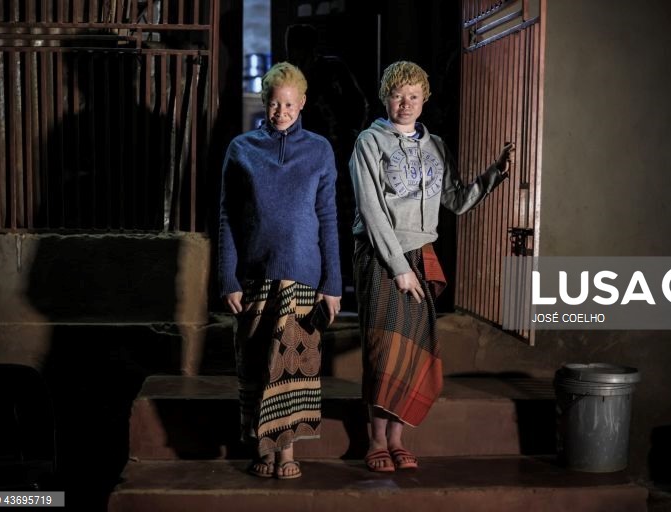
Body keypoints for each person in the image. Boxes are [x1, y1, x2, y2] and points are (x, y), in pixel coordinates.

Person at [349, 60, 513, 472]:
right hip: (381, 255)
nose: (405, 103)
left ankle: (398, 438)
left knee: (414, 351)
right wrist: (397, 267)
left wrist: (494, 175)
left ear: (425, 100)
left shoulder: (436, 145)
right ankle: (375, 440)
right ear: (386, 97)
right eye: (398, 95)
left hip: (422, 254)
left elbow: (456, 200)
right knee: (384, 349)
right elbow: (371, 210)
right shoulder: (370, 143)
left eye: (414, 96)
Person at [217, 61, 342, 480]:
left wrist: (334, 284)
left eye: (289, 104)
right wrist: (228, 277)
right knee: (256, 364)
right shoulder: (241, 149)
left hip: (303, 276)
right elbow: (228, 217)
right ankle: (262, 448)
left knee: (290, 370)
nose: (281, 112)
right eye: (274, 103)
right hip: (255, 275)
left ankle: (286, 450)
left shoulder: (320, 150)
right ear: (264, 101)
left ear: (302, 102)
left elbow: (328, 216)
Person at [285, 23, 369, 300]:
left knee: (343, 216)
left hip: (336, 153)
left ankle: (347, 279)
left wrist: (349, 135)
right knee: (311, 218)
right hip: (306, 160)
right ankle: (319, 278)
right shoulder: (291, 76)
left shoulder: (330, 69)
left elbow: (358, 105)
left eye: (298, 46)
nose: (295, 52)